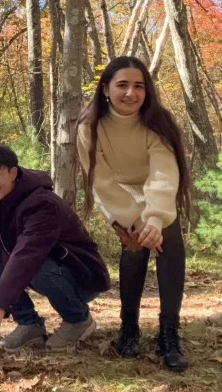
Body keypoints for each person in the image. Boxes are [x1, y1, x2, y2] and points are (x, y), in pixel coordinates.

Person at [76, 56, 191, 372]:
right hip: (116, 200)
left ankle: (169, 333)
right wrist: (136, 223)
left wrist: (154, 218)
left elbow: (164, 173)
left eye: (138, 86)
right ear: (105, 89)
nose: (131, 93)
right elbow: (102, 182)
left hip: (158, 197)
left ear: (147, 91)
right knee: (134, 245)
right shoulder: (89, 128)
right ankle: (129, 328)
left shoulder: (158, 123)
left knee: (168, 237)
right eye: (122, 85)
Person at [0, 145, 111, 352]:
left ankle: (78, 320)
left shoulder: (42, 204)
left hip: (82, 277)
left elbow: (27, 254)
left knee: (35, 262)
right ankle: (29, 324)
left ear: (13, 173)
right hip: (47, 268)